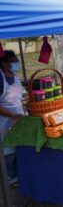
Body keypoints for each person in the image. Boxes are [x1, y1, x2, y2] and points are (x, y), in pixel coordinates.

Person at [0, 50, 24, 184]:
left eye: (17, 60)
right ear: (3, 63)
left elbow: (17, 97)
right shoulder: (0, 78)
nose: (16, 63)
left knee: (18, 147)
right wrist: (12, 115)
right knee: (7, 151)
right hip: (4, 122)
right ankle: (10, 178)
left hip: (18, 118)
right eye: (13, 61)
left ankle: (18, 174)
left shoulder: (15, 76)